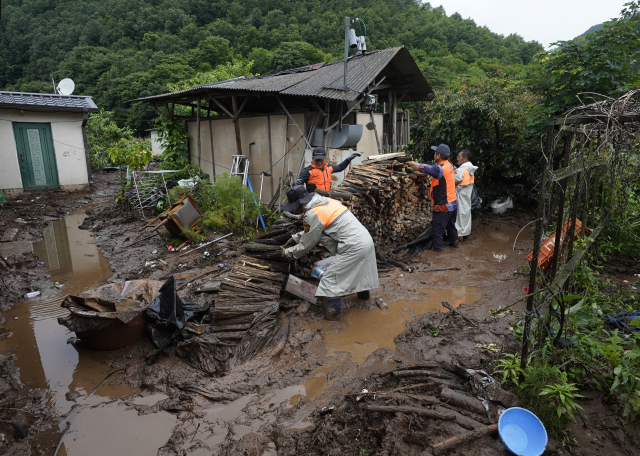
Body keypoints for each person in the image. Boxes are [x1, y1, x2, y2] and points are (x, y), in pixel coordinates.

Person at [281, 185, 378, 320]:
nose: (296, 210)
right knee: (359, 271)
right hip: (365, 240)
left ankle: (332, 320)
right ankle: (363, 299)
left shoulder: (313, 213)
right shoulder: (326, 202)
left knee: (329, 282)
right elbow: (315, 229)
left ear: (299, 205)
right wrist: (294, 237)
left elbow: (307, 243)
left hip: (353, 247)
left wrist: (286, 253)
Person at [407, 144, 459, 252]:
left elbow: (420, 167)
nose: (434, 154)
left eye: (435, 153)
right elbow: (431, 167)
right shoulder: (448, 164)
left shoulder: (439, 169)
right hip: (453, 203)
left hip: (443, 205)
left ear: (438, 156)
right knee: (451, 227)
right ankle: (455, 245)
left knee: (437, 231)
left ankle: (438, 253)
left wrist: (408, 162)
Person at [294, 147, 361, 192]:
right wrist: (295, 184)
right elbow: (296, 185)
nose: (319, 162)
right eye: (317, 160)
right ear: (312, 158)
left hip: (327, 198)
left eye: (321, 160)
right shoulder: (308, 171)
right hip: (314, 200)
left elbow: (340, 167)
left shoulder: (328, 167)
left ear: (325, 158)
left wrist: (348, 159)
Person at [454, 149, 478, 240]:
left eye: (459, 157)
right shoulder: (470, 169)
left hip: (460, 195)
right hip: (467, 195)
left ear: (465, 158)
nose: (457, 159)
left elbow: (455, 179)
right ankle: (466, 233)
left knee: (459, 216)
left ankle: (459, 235)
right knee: (466, 214)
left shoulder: (462, 169)